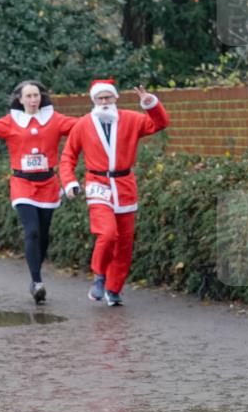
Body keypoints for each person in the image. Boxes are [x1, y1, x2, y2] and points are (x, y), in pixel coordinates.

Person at [0, 81, 79, 304]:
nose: (33, 99)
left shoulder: (55, 119)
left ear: (41, 97)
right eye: (28, 96)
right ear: (20, 99)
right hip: (22, 184)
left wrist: (101, 111)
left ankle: (35, 276)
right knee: (32, 232)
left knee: (44, 236)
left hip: (48, 184)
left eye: (36, 95)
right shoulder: (12, 121)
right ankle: (37, 281)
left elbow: (81, 127)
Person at [60, 80, 170, 306]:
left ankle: (114, 289)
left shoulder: (131, 119)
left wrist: (150, 103)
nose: (104, 102)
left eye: (108, 98)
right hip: (97, 183)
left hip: (125, 184)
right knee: (108, 233)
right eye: (100, 99)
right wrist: (70, 182)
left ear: (115, 99)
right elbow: (68, 157)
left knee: (124, 243)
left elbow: (160, 124)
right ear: (94, 101)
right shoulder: (82, 125)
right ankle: (99, 275)